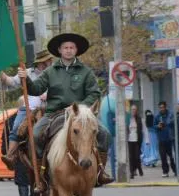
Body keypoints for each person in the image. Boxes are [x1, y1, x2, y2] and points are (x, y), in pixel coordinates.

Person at [18, 32, 113, 186]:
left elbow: (94, 94)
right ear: (60, 51)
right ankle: (40, 174)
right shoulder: (50, 71)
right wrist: (26, 79)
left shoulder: (86, 72)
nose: (68, 50)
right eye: (65, 48)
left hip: (81, 115)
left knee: (105, 134)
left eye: (72, 47)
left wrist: (80, 107)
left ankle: (101, 172)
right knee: (35, 136)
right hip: (54, 113)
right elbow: (36, 89)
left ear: (76, 50)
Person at [0, 49, 52, 168]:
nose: (48, 63)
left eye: (49, 61)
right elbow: (11, 82)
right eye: (45, 61)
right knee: (17, 128)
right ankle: (10, 156)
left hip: (50, 109)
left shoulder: (54, 73)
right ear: (39, 62)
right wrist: (0, 73)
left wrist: (50, 94)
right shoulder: (27, 72)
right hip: (29, 109)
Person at [154, 101, 176, 178]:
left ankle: (175, 170)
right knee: (163, 157)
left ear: (166, 107)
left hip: (170, 139)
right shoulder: (157, 116)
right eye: (160, 107)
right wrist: (157, 126)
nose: (162, 109)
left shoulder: (170, 114)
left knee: (172, 156)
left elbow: (174, 123)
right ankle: (165, 171)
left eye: (163, 107)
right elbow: (154, 127)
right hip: (161, 139)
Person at [127, 103, 144, 179]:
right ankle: (132, 172)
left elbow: (142, 130)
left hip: (137, 140)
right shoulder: (128, 118)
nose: (133, 111)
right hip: (130, 140)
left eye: (135, 109)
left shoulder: (139, 118)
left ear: (136, 111)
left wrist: (145, 140)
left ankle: (139, 168)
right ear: (130, 110)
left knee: (137, 156)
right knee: (131, 157)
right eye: (132, 109)